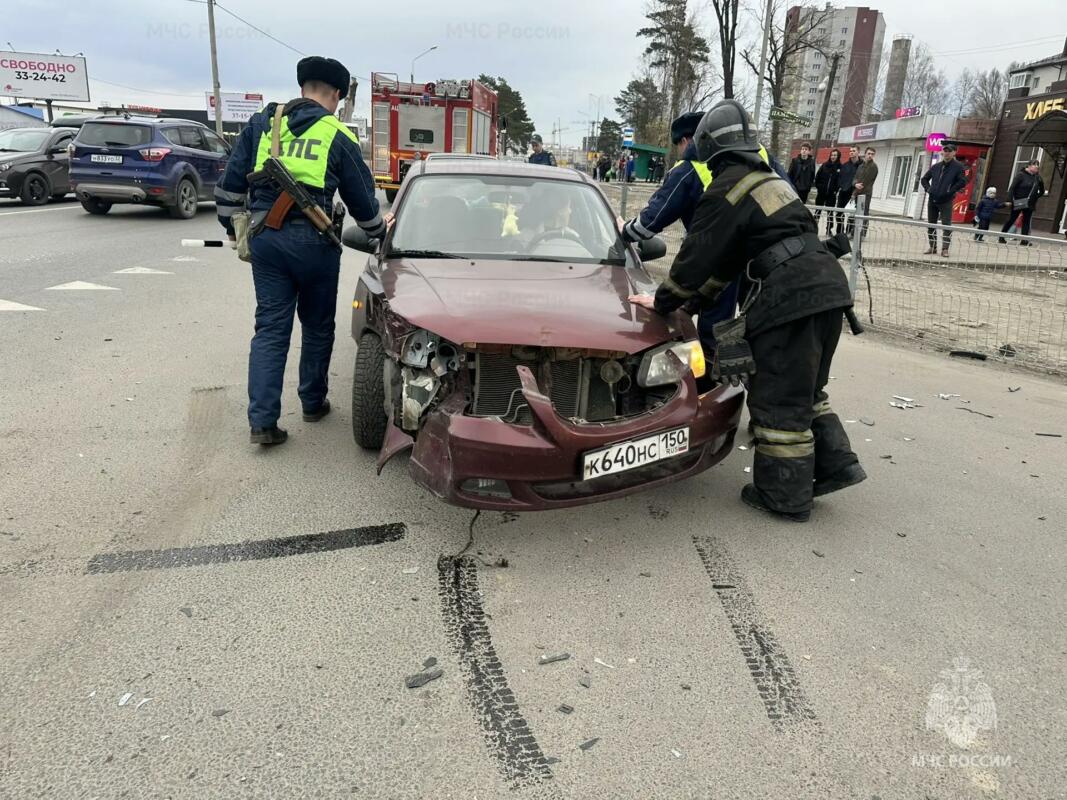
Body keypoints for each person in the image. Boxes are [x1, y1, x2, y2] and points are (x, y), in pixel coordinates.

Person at [628, 100, 863, 522]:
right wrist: (694, 304)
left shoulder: (725, 190)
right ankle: (836, 464)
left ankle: (784, 497)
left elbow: (696, 260)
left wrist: (664, 302)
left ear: (708, 150)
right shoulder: (772, 182)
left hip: (789, 297)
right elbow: (729, 266)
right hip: (828, 289)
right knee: (805, 388)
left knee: (776, 394)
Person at [214, 56, 387, 446]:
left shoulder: (262, 123)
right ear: (338, 95)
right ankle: (312, 401)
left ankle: (262, 423)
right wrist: (379, 235)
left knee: (271, 329)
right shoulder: (337, 134)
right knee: (317, 324)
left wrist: (233, 228)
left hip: (265, 239)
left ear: (302, 87)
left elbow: (228, 189)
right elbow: (362, 203)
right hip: (315, 241)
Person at [620, 111, 786, 355]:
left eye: (678, 145)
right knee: (762, 328)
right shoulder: (761, 155)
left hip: (719, 259)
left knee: (715, 328)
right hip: (766, 260)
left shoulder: (686, 169)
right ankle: (741, 375)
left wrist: (623, 230)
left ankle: (712, 377)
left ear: (687, 140)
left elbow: (651, 222)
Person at [920, 143, 967, 256]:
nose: (946, 153)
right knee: (931, 224)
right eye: (945, 151)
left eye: (949, 151)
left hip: (946, 200)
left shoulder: (958, 167)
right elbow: (924, 179)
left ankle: (945, 249)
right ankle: (933, 246)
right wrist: (929, 189)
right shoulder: (936, 166)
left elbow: (962, 181)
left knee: (946, 225)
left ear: (954, 152)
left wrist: (950, 190)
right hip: (933, 199)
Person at [999, 160, 1045, 245]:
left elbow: (1042, 191)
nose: (1037, 167)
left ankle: (1024, 240)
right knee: (1011, 219)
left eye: (1038, 166)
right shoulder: (1021, 175)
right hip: (1018, 201)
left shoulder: (1038, 178)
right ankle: (1001, 236)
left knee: (1026, 222)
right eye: (1035, 166)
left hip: (1029, 203)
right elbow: (1012, 188)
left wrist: (1035, 197)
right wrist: (1009, 200)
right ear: (1029, 166)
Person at [849, 147, 878, 238]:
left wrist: (855, 192)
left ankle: (862, 233)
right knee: (856, 213)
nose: (870, 156)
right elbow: (855, 178)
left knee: (864, 212)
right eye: (868, 153)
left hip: (866, 193)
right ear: (865, 154)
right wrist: (855, 185)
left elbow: (865, 181)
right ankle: (854, 232)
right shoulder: (861, 166)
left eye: (872, 154)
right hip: (858, 192)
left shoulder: (873, 167)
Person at [834, 146, 861, 235]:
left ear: (858, 152)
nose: (851, 152)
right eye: (850, 151)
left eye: (854, 151)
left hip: (854, 193)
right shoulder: (845, 165)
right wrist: (840, 187)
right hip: (843, 192)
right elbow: (840, 178)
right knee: (838, 214)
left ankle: (849, 232)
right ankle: (840, 232)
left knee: (851, 215)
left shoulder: (862, 166)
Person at [813, 148, 841, 233]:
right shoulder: (824, 165)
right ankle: (814, 228)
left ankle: (829, 229)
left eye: (835, 155)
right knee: (817, 211)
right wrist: (819, 187)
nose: (833, 157)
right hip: (821, 193)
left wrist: (835, 190)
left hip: (831, 194)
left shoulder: (840, 167)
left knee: (830, 213)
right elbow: (817, 177)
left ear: (838, 156)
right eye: (832, 155)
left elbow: (840, 181)